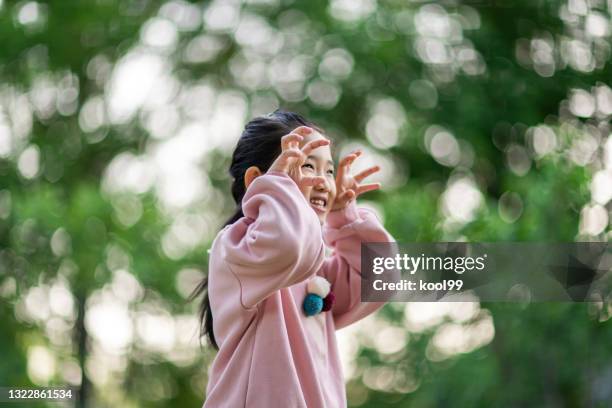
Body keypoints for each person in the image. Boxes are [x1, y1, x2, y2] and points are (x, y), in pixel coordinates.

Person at [193, 110, 394, 407]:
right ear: (258, 182)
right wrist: (278, 189)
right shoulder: (237, 250)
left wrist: (346, 219)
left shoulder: (313, 270)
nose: (325, 182)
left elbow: (380, 277)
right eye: (307, 166)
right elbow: (287, 245)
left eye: (329, 171)